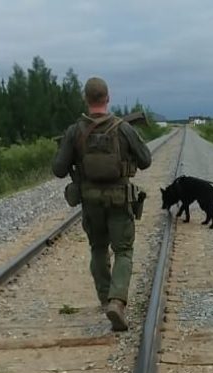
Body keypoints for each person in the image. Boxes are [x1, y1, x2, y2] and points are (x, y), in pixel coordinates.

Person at [52, 77, 152, 331]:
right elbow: (146, 160)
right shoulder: (123, 128)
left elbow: (59, 170)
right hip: (120, 200)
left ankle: (105, 298)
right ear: (107, 98)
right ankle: (117, 302)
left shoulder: (75, 130)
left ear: (86, 100)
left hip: (91, 202)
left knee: (98, 249)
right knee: (124, 251)